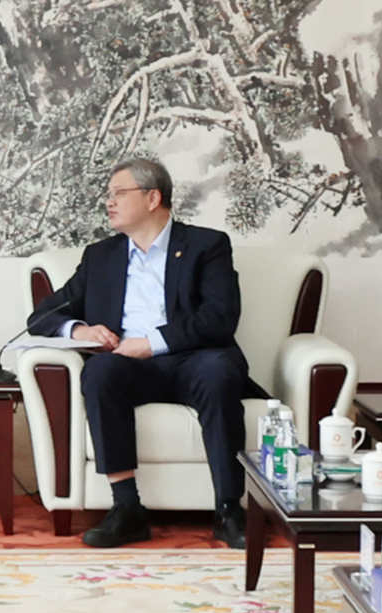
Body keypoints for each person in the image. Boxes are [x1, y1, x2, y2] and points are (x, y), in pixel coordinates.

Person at [24, 156, 253, 551]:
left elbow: (220, 318)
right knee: (99, 373)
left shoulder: (207, 245)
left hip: (194, 358)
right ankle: (127, 509)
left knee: (218, 371)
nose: (109, 202)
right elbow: (41, 317)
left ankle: (229, 509)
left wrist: (152, 342)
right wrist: (79, 330)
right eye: (108, 195)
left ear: (152, 198)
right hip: (130, 368)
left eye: (119, 193)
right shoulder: (101, 257)